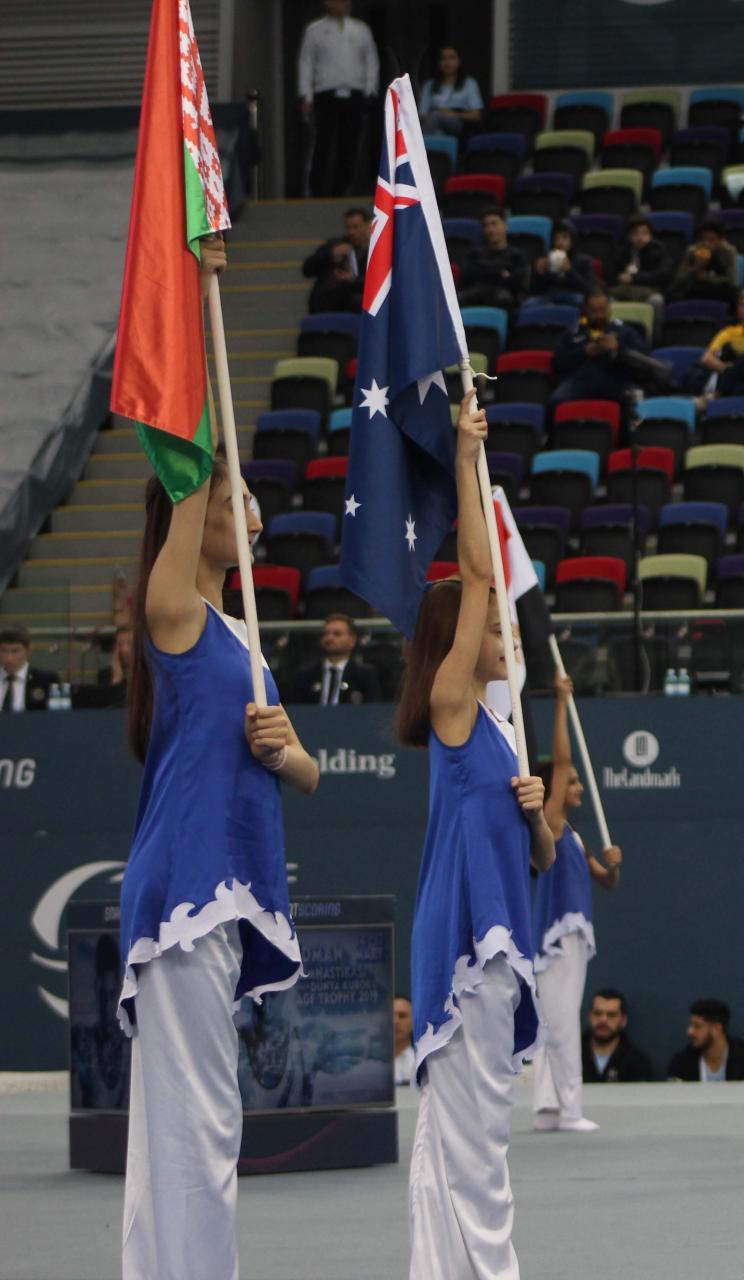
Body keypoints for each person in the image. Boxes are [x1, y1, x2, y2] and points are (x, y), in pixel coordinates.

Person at [119, 235, 320, 1280]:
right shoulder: (177, 614)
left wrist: (288, 752)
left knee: (185, 1119)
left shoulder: (244, 639)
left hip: (228, 884)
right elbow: (189, 458)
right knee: (200, 1120)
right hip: (191, 881)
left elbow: (307, 774)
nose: (254, 511)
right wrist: (201, 305)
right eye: (238, 497)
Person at [395, 392, 555, 1280]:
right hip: (465, 947)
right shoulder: (455, 710)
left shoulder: (495, 731)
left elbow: (536, 859)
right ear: (452, 644)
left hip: (496, 937)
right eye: (487, 628)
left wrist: (533, 813)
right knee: (476, 1141)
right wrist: (465, 457)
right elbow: (480, 575)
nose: (500, 632)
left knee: (456, 1141)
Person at [531, 674, 623, 1133]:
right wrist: (562, 703)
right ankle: (568, 1110)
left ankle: (548, 1107)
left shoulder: (575, 835)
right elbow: (562, 759)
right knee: (563, 1023)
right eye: (573, 785)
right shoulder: (551, 824)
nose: (579, 789)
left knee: (555, 1022)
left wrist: (614, 864)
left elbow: (606, 882)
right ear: (556, 789)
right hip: (556, 935)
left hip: (571, 935)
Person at [297, 0, 379, 197]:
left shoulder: (361, 29)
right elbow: (306, 62)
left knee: (350, 144)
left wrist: (370, 90)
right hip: (326, 94)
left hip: (355, 94)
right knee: (322, 144)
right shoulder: (315, 30)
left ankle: (341, 190)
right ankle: (316, 191)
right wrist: (306, 95)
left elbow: (371, 60)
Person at [551, 288, 669, 411]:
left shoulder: (624, 330)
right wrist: (584, 352)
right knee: (555, 402)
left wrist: (619, 349)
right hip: (581, 381)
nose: (599, 315)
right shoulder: (573, 333)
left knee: (637, 401)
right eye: (594, 311)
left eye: (602, 310)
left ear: (609, 308)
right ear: (585, 310)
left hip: (617, 379)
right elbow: (557, 363)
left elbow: (644, 357)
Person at [289, 613, 383, 705]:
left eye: (337, 634)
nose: (329, 638)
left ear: (352, 640)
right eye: (325, 634)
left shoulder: (365, 675)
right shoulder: (305, 676)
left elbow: (373, 710)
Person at [667, 999, 744, 1081]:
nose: (689, 1031)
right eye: (691, 1025)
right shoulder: (681, 1063)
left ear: (717, 1029)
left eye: (697, 1026)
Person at [301, 207, 372, 313]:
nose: (352, 232)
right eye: (348, 228)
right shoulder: (335, 245)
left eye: (356, 227)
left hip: (362, 305)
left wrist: (353, 281)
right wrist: (330, 254)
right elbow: (307, 269)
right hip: (330, 303)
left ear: (368, 226)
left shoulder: (377, 251)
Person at [456, 208, 529, 311]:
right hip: (475, 297)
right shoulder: (474, 255)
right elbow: (466, 277)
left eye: (494, 224)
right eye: (486, 226)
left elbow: (517, 282)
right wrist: (499, 274)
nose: (490, 230)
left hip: (504, 301)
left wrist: (483, 273)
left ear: (505, 226)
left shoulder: (517, 256)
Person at [583, 990, 653, 1082]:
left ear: (623, 1020)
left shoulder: (636, 1061)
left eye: (611, 1015)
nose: (603, 1020)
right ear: (589, 1016)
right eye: (597, 1013)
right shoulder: (572, 1055)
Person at [667, 220, 739, 306]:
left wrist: (709, 278)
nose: (706, 243)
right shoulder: (692, 251)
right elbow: (678, 280)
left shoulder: (728, 252)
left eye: (711, 240)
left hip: (718, 289)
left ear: (721, 240)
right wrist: (695, 268)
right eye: (703, 239)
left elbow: (733, 281)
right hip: (694, 287)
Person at [417, 46, 482, 138]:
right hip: (433, 123)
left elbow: (476, 116)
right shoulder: (429, 85)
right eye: (443, 58)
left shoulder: (469, 83)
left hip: (458, 123)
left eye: (452, 58)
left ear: (459, 61)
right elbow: (422, 114)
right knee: (437, 131)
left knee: (435, 117)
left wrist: (451, 114)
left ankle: (420, 148)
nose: (447, 62)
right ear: (439, 63)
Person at [610, 215, 672, 303]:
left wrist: (634, 278)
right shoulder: (622, 251)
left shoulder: (658, 250)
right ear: (629, 236)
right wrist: (620, 277)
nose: (640, 237)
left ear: (650, 235)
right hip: (625, 290)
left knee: (657, 300)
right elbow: (611, 273)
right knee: (608, 299)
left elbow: (663, 275)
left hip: (649, 290)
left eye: (645, 233)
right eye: (635, 233)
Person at [530, 222, 594, 299]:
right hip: (549, 299)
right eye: (556, 238)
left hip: (574, 298)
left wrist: (569, 270)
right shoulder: (547, 259)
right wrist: (539, 273)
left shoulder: (583, 260)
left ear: (572, 240)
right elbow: (535, 291)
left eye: (565, 237)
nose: (560, 242)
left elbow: (589, 290)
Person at [0, 623, 56, 712]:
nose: (9, 658)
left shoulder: (45, 680)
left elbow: (58, 718)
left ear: (28, 650)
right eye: (3, 651)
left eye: (15, 651)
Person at [393, 996, 415, 1086]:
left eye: (402, 1016)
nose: (396, 1021)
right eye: (391, 1015)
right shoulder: (368, 1066)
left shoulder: (423, 1065)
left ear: (414, 1022)